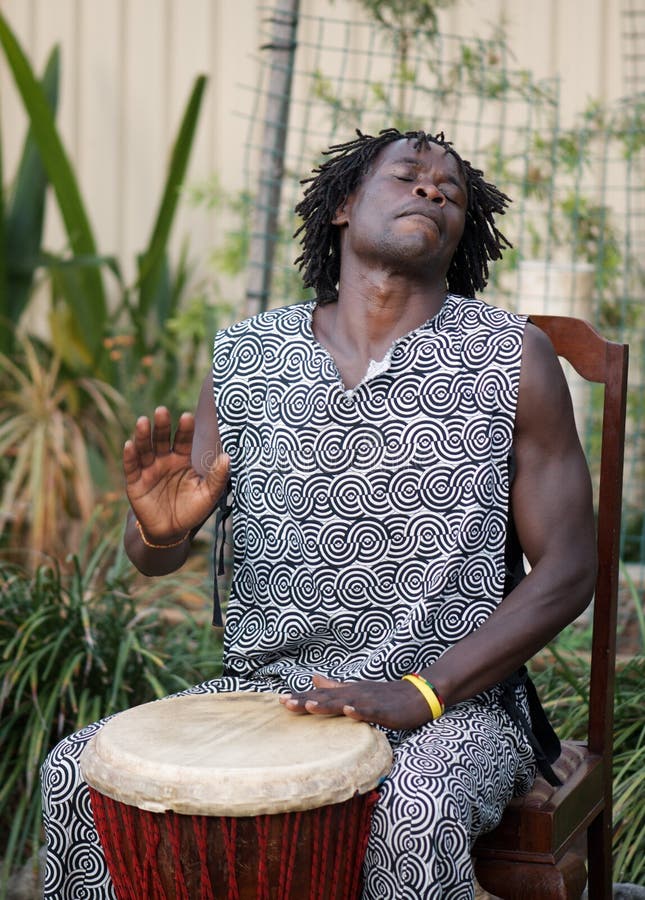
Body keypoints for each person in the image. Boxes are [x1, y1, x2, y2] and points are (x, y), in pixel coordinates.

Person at [41, 128, 596, 899]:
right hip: (265, 694)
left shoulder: (512, 356)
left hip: (454, 708)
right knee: (75, 771)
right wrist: (158, 534)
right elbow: (156, 557)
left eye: (452, 191)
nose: (432, 189)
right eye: (407, 175)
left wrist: (421, 693)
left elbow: (569, 569)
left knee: (413, 811)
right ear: (341, 206)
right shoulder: (246, 355)